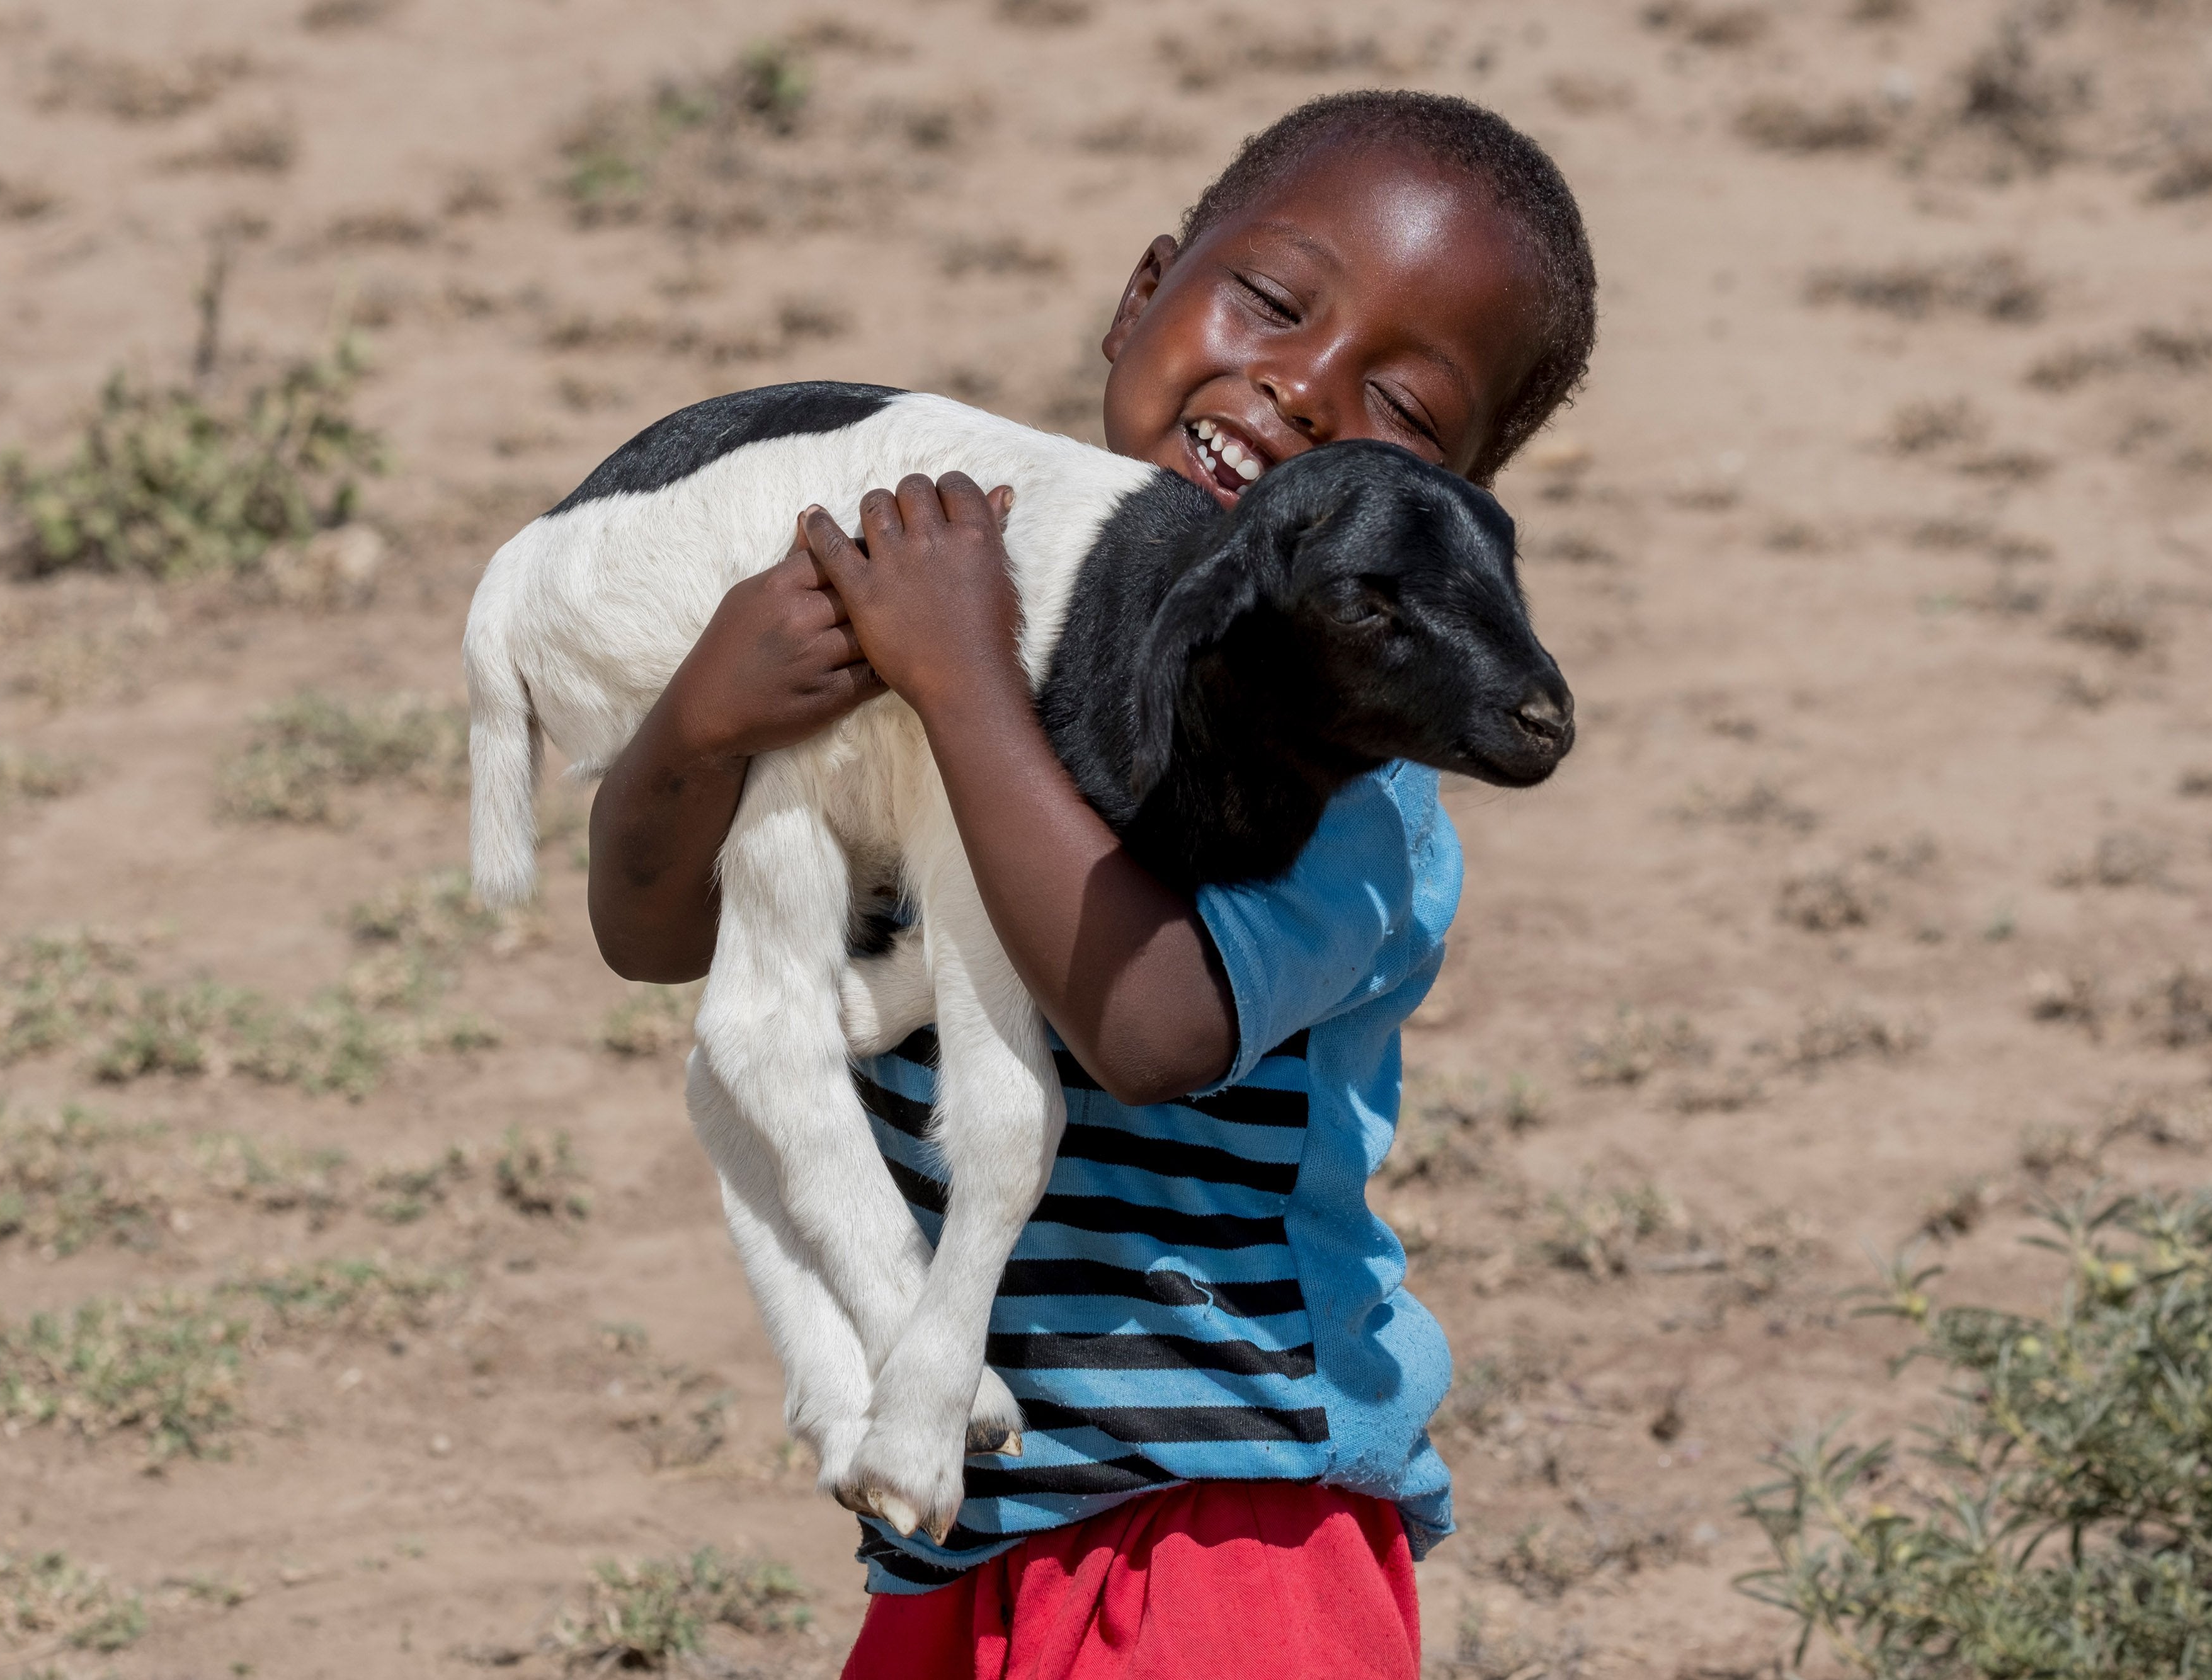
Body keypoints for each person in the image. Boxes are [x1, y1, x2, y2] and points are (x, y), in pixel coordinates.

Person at [584, 90, 1599, 1680]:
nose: (1298, 390)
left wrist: (960, 680)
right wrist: (703, 718)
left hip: (1224, 1523)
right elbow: (660, 936)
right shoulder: (960, 624)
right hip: (969, 1513)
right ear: (1143, 298)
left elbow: (1152, 1027)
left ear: (1452, 516)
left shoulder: (1348, 796)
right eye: (1270, 303)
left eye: (1398, 404)